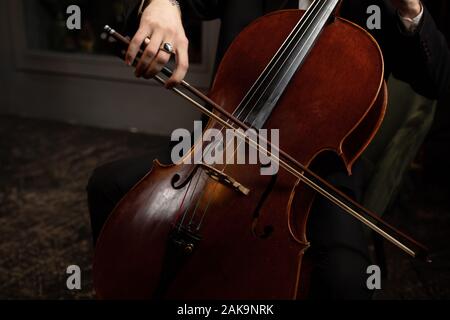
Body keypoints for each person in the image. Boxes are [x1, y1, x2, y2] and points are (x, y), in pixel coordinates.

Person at [87, 0, 450, 299]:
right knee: (108, 185)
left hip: (309, 173)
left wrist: (411, 9)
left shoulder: (376, 9)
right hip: (216, 148)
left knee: (343, 281)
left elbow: (437, 78)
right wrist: (160, 5)